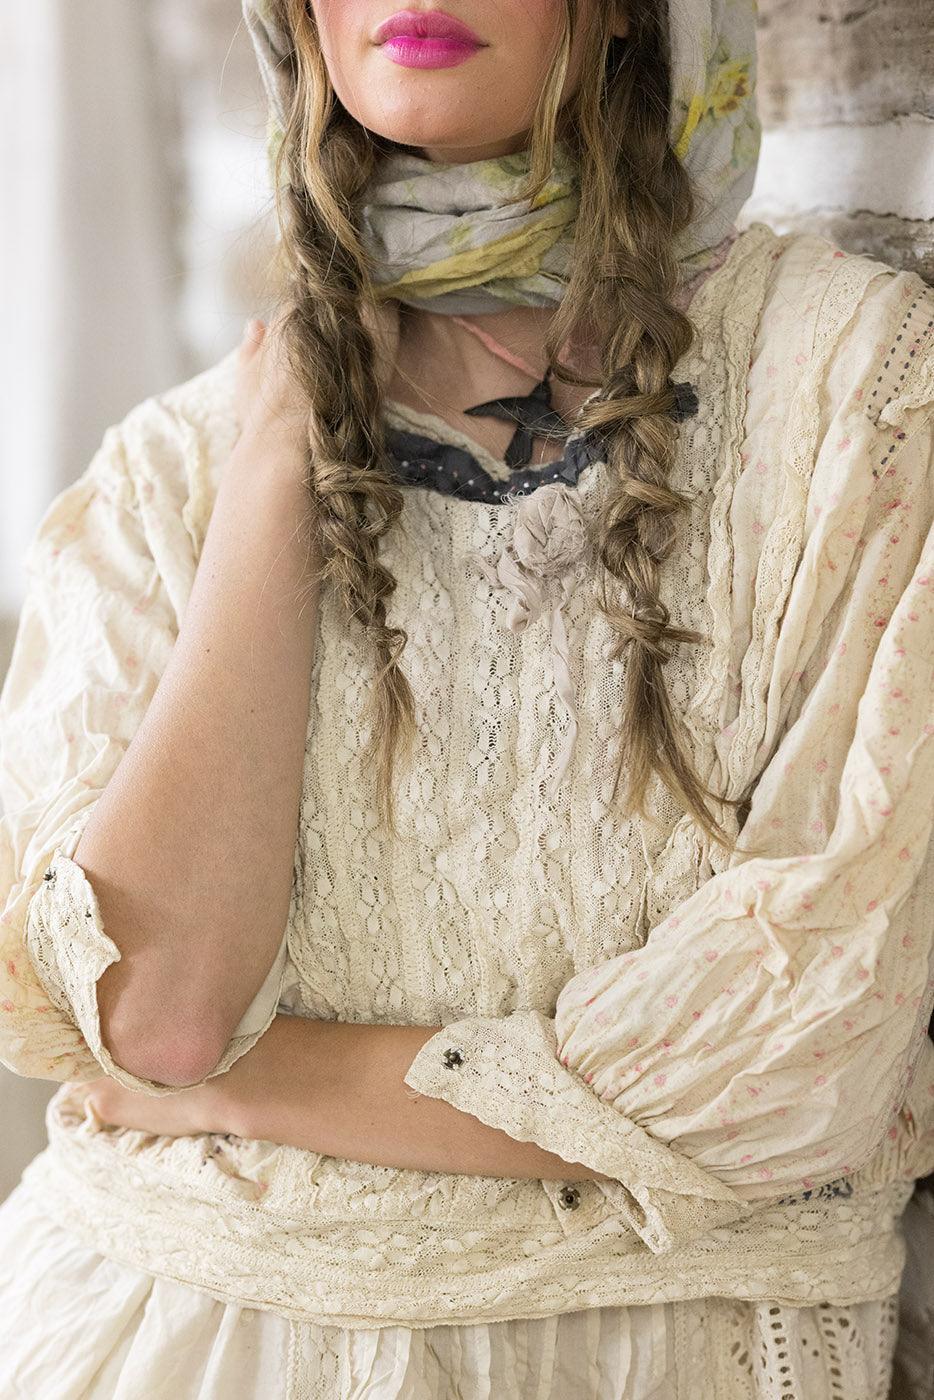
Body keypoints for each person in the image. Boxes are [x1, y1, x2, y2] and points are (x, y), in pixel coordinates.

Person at [0, 0, 931, 1394]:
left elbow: (798, 1064)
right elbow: (163, 1017)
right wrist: (273, 481)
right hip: (144, 1337)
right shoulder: (175, 466)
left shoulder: (859, 385)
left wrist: (255, 1088)